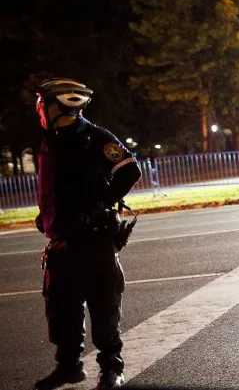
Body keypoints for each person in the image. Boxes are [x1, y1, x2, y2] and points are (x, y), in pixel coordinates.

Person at [32, 78, 142, 390]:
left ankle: (111, 369)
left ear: (60, 105)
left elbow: (131, 169)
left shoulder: (94, 137)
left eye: (42, 103)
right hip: (61, 242)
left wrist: (101, 204)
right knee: (61, 310)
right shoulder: (49, 139)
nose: (38, 110)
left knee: (104, 308)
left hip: (94, 241)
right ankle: (69, 367)